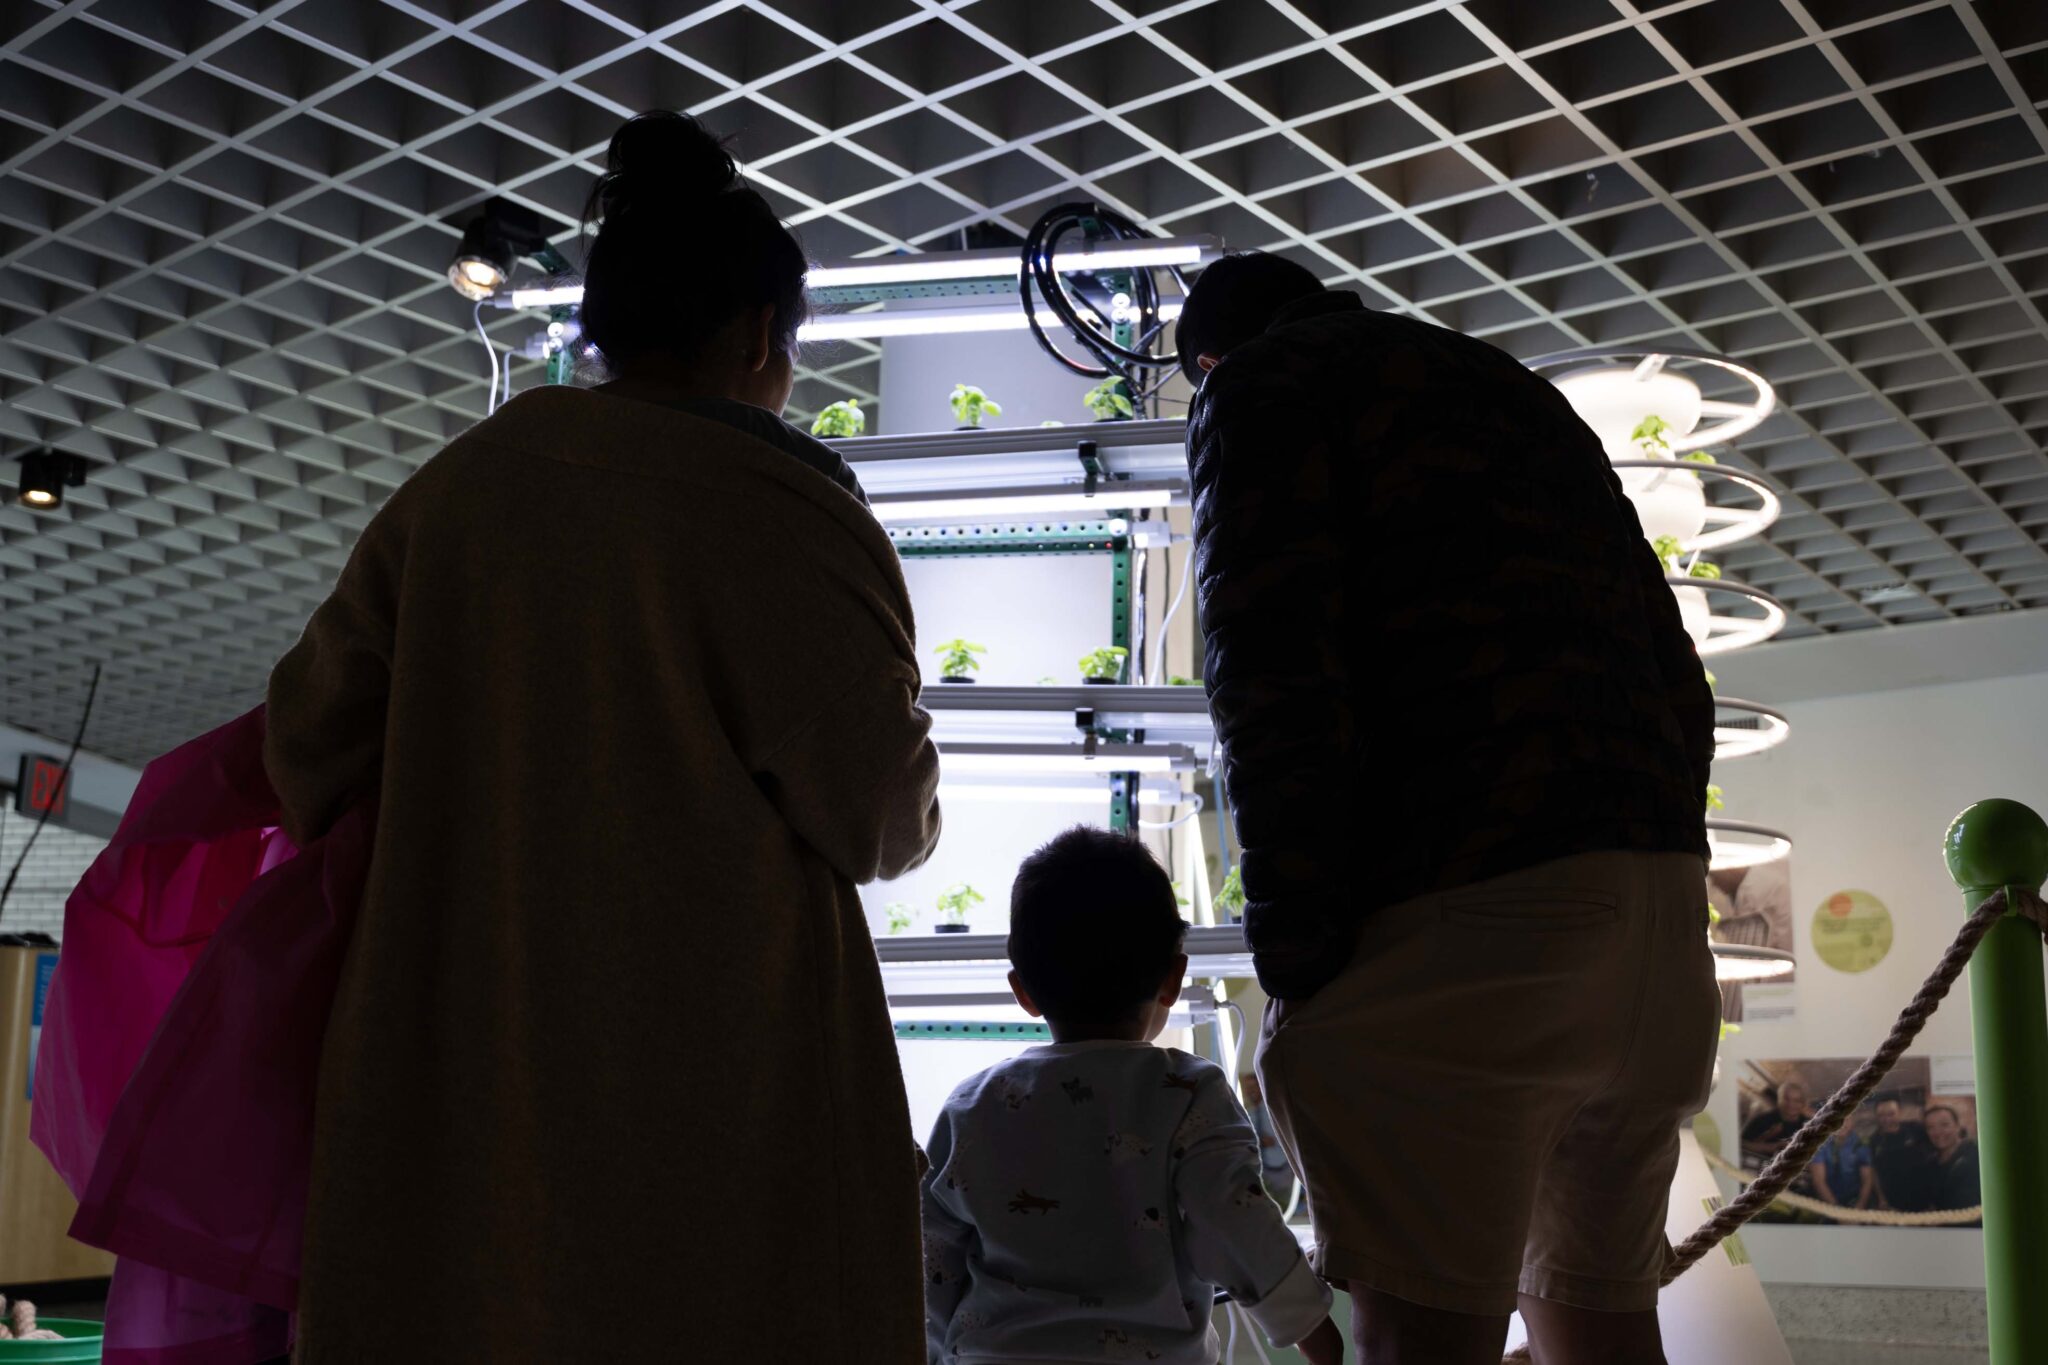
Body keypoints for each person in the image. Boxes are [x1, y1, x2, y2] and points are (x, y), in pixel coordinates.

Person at [264, 111, 943, 1362]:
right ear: (759, 340)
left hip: (460, 1082)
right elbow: (880, 820)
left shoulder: (457, 494)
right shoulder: (787, 513)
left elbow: (304, 752)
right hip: (717, 1099)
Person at [1176, 253, 1719, 1365]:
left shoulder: (1262, 387)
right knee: (1601, 1325)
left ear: (1207, 360)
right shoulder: (1510, 384)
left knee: (1419, 1336)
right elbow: (1676, 679)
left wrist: (1300, 952)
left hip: (1466, 920)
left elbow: (1270, 672)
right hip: (1654, 923)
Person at [920, 827, 1344, 1365]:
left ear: (1022, 990)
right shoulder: (1189, 1094)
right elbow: (1234, 1220)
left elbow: (930, 1266)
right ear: (1173, 979)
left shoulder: (970, 1110)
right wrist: (1312, 1328)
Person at [1870, 1096, 1937, 1213]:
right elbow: (1874, 1171)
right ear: (1876, 1116)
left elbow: (1936, 1154)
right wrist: (1882, 1200)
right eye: (1881, 1115)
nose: (1886, 1119)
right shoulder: (1874, 1140)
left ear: (1900, 1113)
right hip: (1893, 1204)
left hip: (1924, 1201)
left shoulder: (1915, 1129)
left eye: (1891, 1114)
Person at [1924, 1106, 1983, 1214]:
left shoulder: (1976, 1155)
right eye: (1930, 1127)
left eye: (1944, 1125)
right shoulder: (1931, 1162)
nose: (1937, 1132)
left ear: (1957, 1126)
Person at [1807, 1120, 1876, 1210]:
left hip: (1855, 1199)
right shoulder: (1819, 1144)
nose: (1841, 1123)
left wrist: (1859, 1207)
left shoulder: (1861, 1144)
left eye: (1846, 1120)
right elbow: (1818, 1181)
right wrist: (1837, 1211)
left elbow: (1867, 1179)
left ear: (1852, 1122)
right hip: (1826, 1201)